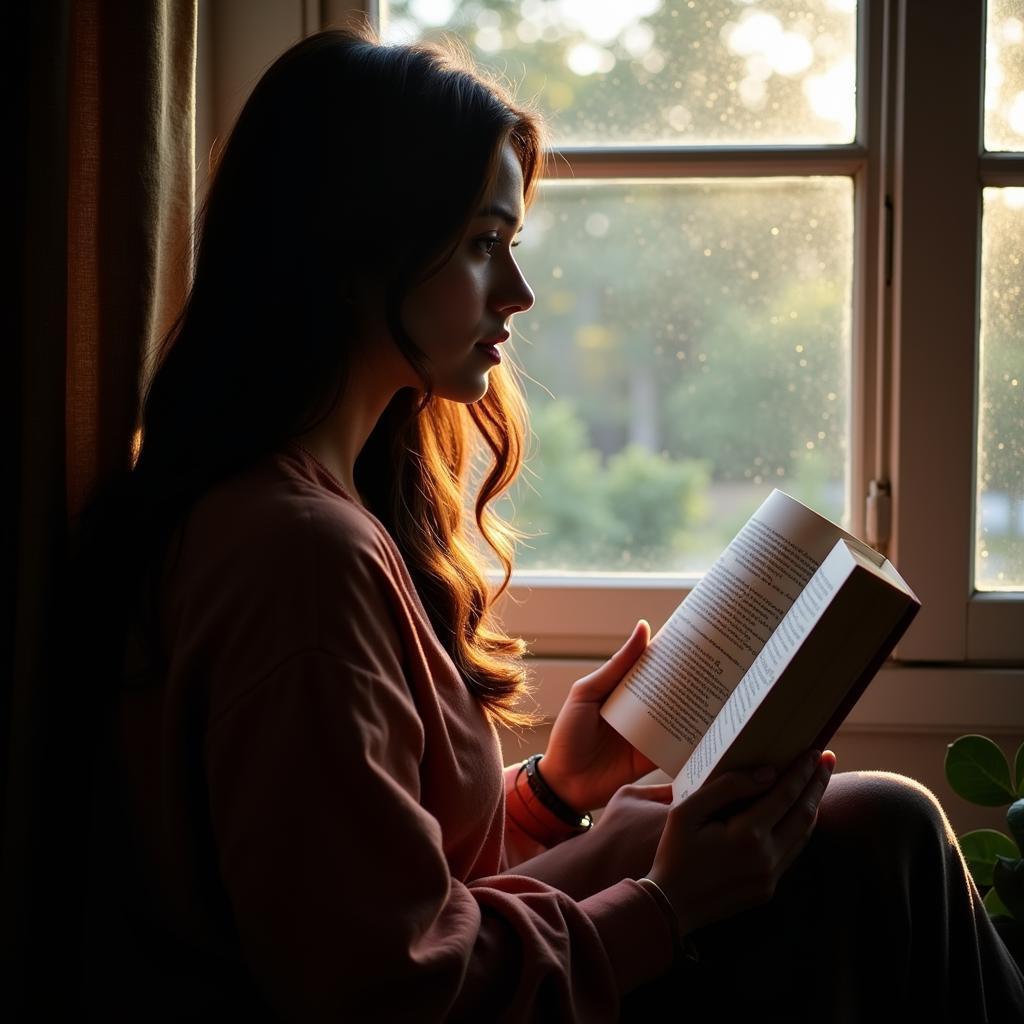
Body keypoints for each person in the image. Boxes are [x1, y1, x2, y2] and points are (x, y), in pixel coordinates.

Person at [73, 24, 1023, 1022]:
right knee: (884, 833)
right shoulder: (297, 557)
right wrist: (665, 904)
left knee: (874, 829)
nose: (518, 293)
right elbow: (386, 986)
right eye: (483, 245)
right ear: (358, 248)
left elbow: (393, 878)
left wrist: (554, 792)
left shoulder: (308, 512)